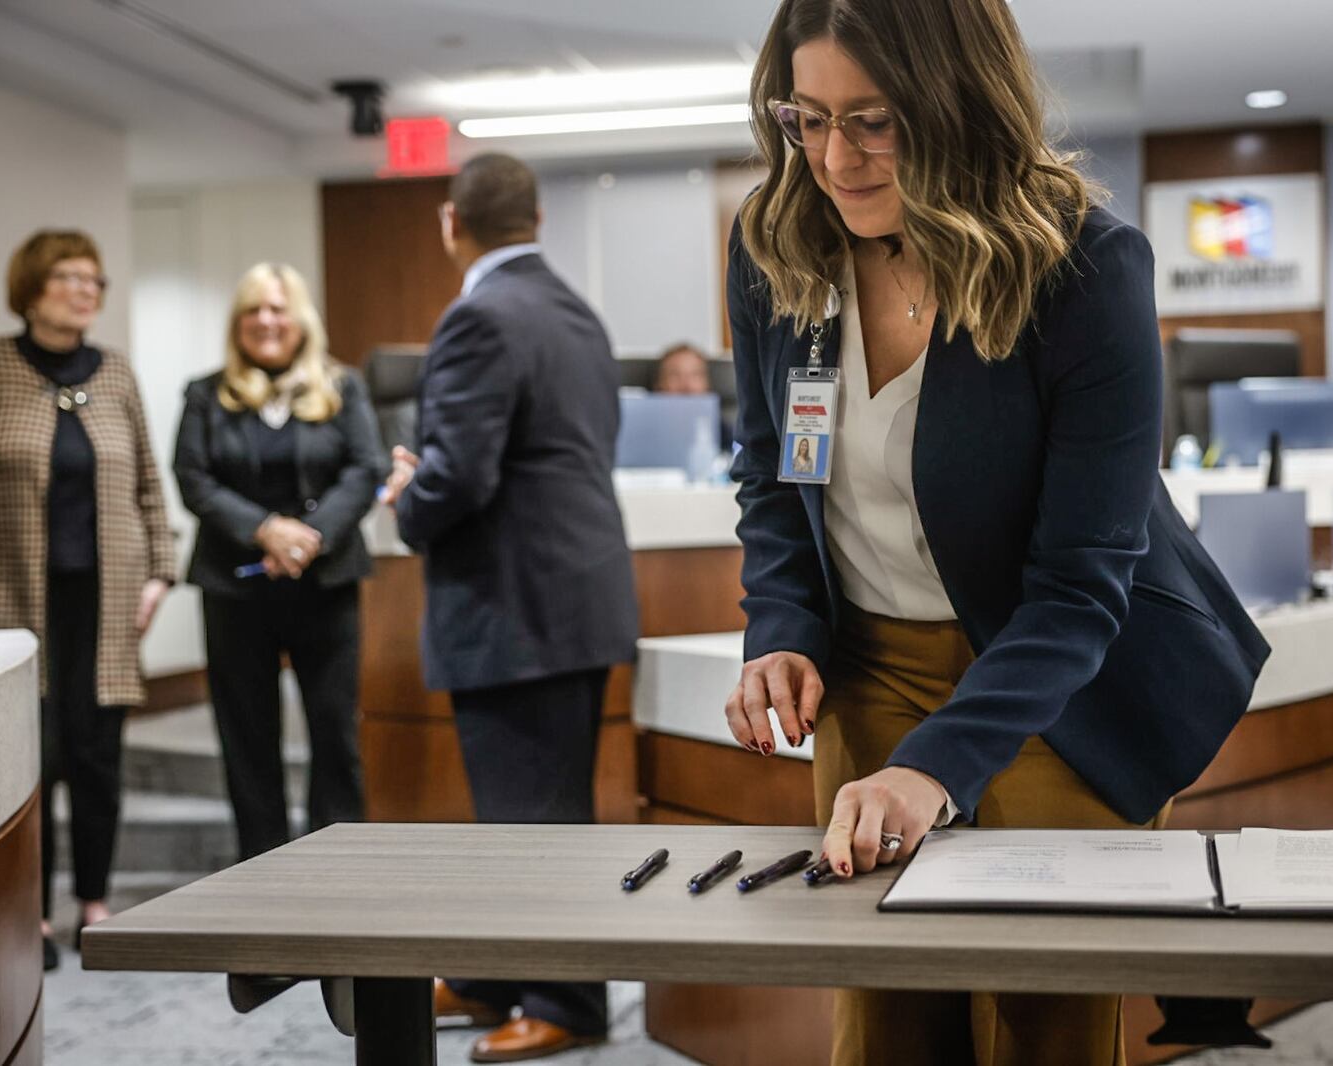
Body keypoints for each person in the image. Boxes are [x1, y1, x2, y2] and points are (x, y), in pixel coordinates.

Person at [722, 2, 1271, 1064]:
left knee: (1041, 1013)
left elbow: (1078, 585)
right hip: (870, 665)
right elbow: (775, 473)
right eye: (810, 119)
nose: (836, 158)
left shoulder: (1082, 268)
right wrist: (780, 626)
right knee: (884, 1012)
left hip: (1048, 676)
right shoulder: (775, 246)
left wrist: (936, 766)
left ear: (958, 102)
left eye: (875, 121)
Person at [382, 152, 638, 1063]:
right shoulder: (577, 312)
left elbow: (460, 476)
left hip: (516, 604)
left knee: (536, 821)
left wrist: (406, 495)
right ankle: (498, 974)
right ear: (536, 218)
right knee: (526, 810)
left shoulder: (477, 316)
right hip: (571, 595)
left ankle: (566, 999)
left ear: (452, 223)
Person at [0, 229, 175, 972]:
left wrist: (162, 570)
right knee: (28, 753)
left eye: (94, 280)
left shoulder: (117, 373)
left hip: (106, 600)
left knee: (98, 753)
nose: (86, 290)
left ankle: (95, 906)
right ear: (33, 285)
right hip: (12, 599)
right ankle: (30, 915)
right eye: (70, 276)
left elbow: (146, 481)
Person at [173, 262, 385, 862]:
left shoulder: (343, 388)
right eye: (253, 310)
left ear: (300, 320)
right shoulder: (204, 393)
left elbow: (365, 469)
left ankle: (336, 887)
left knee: (335, 739)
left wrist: (308, 537)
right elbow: (193, 477)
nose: (266, 321)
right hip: (236, 589)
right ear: (237, 322)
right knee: (248, 745)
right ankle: (261, 887)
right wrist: (264, 530)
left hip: (326, 584)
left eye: (278, 308)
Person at [653, 341, 734, 451]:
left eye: (695, 375)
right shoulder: (647, 429)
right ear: (660, 384)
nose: (687, 386)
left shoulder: (720, 429)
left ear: (707, 384)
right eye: (675, 375)